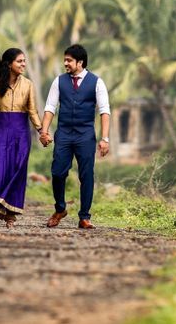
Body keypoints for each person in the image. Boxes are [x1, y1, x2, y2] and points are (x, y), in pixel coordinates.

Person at [38, 44, 110, 229]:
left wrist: (105, 138)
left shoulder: (97, 82)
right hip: (63, 134)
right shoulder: (59, 81)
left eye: (69, 60)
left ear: (80, 62)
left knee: (86, 175)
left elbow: (104, 111)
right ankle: (60, 208)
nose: (65, 64)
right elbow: (50, 108)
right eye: (65, 60)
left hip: (85, 135)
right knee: (57, 172)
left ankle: (84, 217)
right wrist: (44, 131)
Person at [0, 48, 44, 228]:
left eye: (24, 61)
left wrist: (41, 131)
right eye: (19, 61)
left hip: (21, 131)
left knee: (18, 168)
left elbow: (32, 111)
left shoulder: (28, 84)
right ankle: (0, 204)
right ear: (9, 64)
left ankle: (10, 213)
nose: (23, 64)